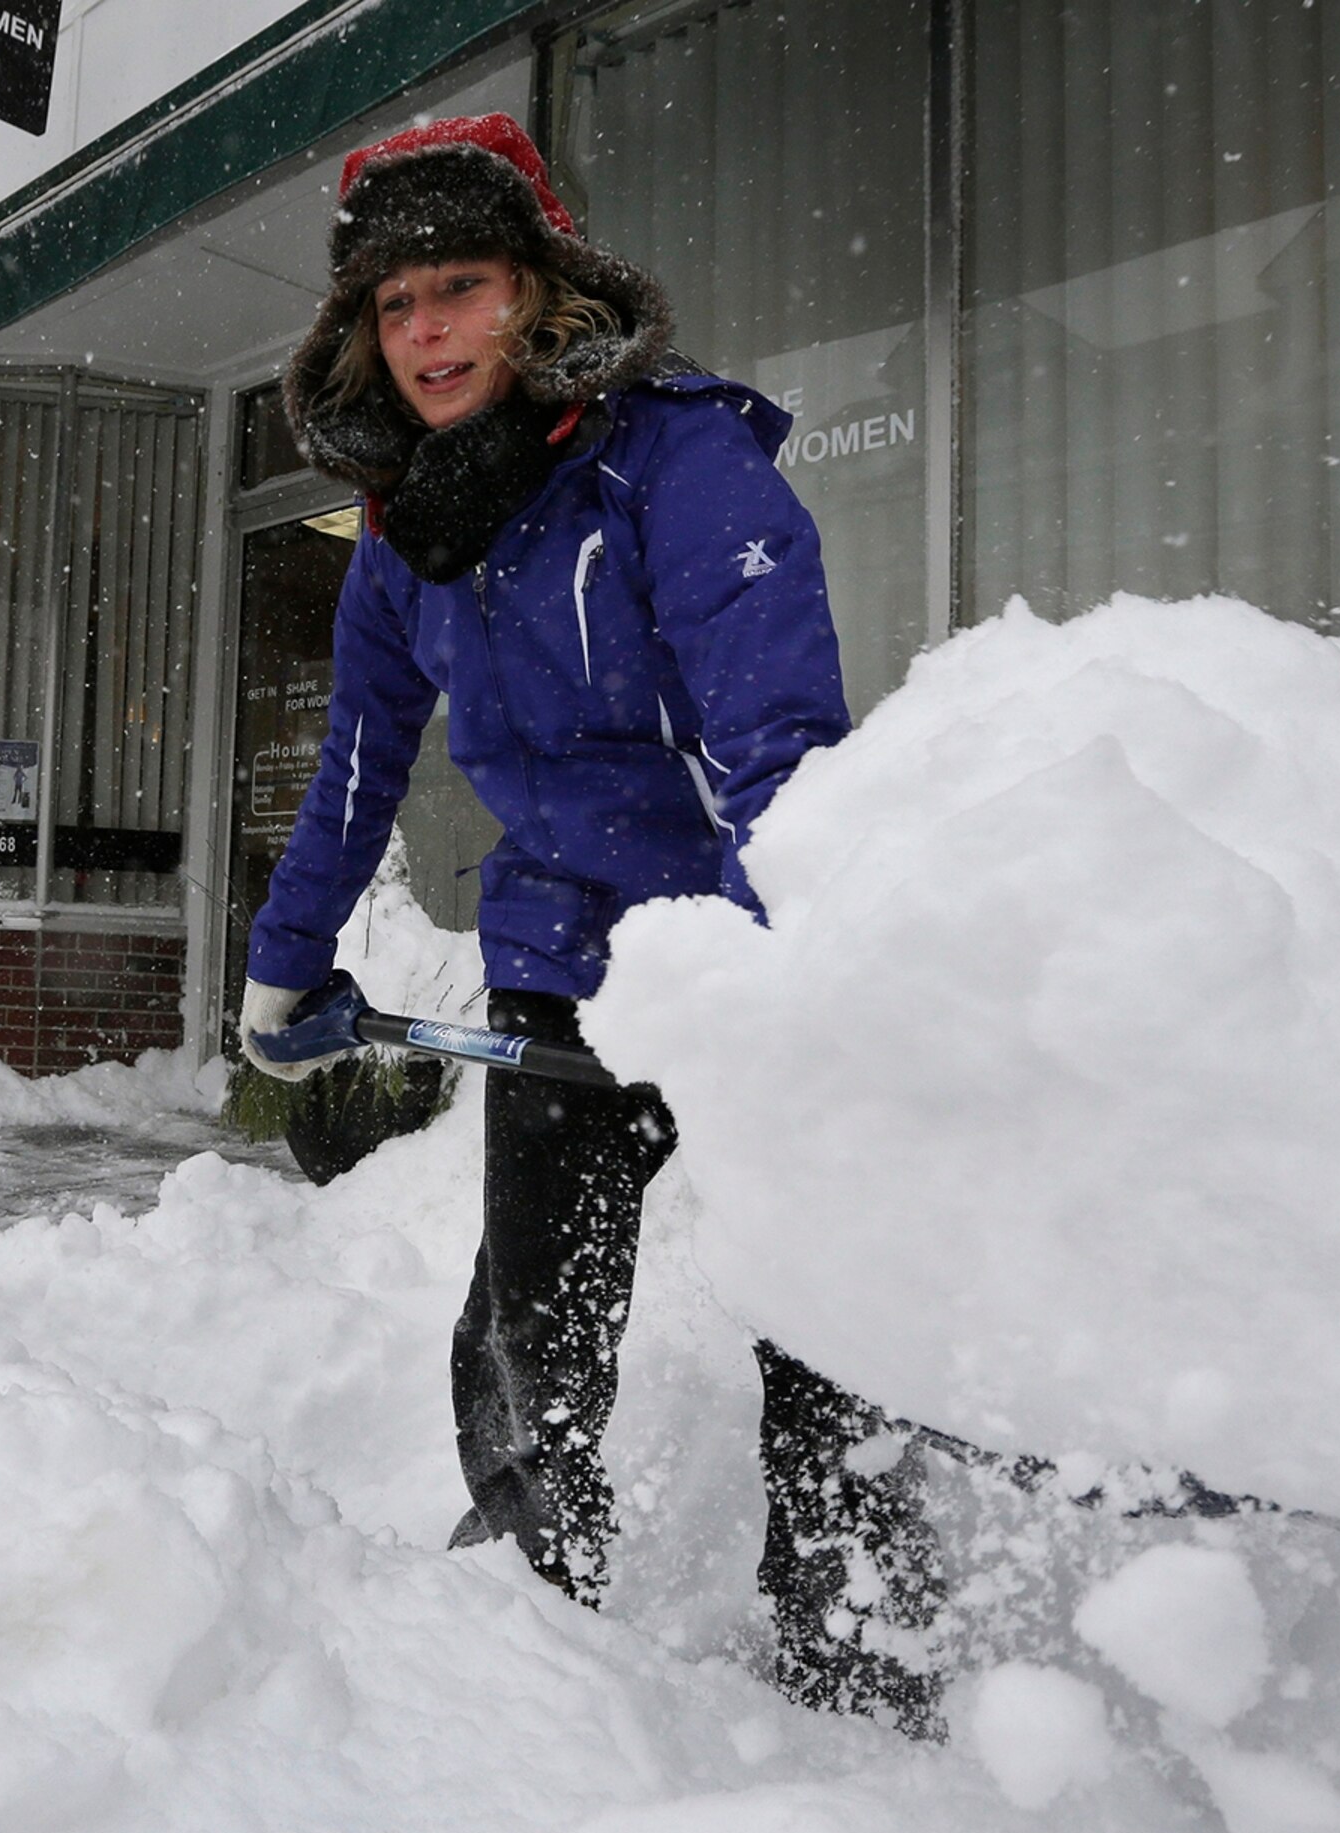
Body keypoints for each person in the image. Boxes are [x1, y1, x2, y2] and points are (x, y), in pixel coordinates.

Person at [236, 115, 943, 1735]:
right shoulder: (404, 534)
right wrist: (286, 958)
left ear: (541, 292)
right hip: (563, 951)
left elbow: (776, 737)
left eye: (461, 287)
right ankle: (524, 1601)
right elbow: (358, 764)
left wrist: (798, 954)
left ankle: (856, 1635)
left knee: (821, 1311)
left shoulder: (675, 461)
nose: (427, 332)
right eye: (394, 303)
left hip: (741, 944)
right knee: (528, 1314)